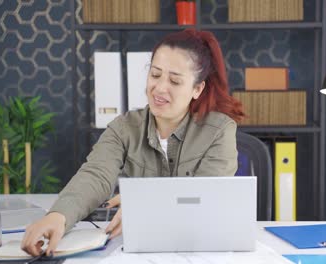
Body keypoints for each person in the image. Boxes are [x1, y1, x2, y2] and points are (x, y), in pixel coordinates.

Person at [21, 28, 245, 256]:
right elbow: (95, 175)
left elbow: (205, 200)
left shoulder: (220, 130)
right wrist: (58, 216)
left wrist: (145, 205)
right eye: (155, 75)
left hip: (200, 251)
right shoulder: (124, 128)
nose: (159, 88)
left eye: (175, 81)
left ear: (197, 89)